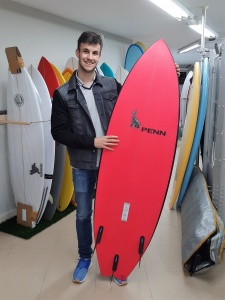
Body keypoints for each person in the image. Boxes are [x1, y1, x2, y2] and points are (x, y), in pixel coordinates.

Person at [51, 31, 180, 286]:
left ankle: (116, 259)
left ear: (100, 55)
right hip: (84, 164)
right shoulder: (62, 93)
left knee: (119, 211)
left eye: (95, 52)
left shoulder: (111, 85)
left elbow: (141, 99)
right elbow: (58, 131)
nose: (90, 57)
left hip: (115, 162)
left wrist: (167, 76)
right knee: (83, 215)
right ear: (77, 53)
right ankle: (85, 258)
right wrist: (93, 142)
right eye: (85, 51)